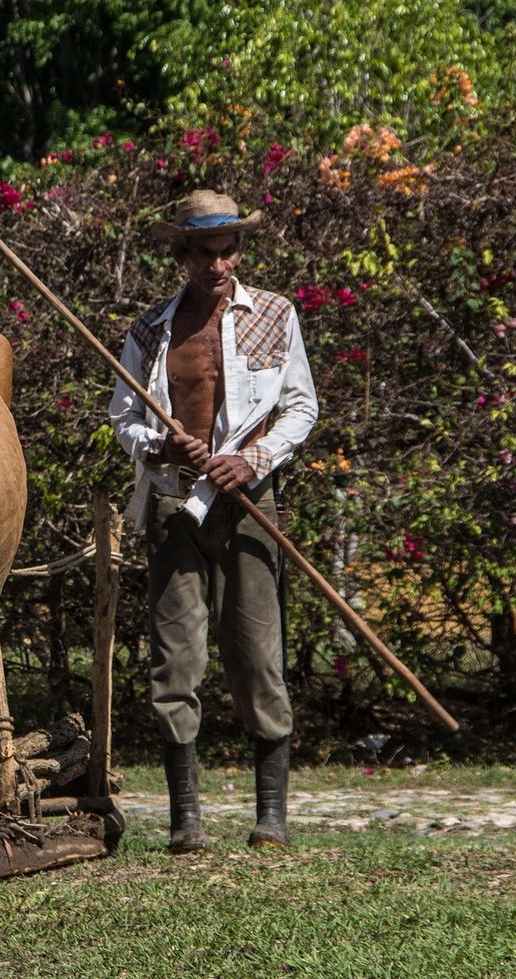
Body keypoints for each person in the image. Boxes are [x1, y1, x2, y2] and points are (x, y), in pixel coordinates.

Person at [109, 190, 318, 851]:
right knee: (175, 662)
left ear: (240, 250)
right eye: (206, 252)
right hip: (175, 505)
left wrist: (253, 458)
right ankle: (186, 823)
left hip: (251, 505)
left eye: (229, 250)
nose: (219, 264)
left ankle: (271, 818)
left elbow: (302, 408)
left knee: (258, 655)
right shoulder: (150, 331)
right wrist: (158, 444)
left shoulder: (276, 317)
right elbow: (122, 417)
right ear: (183, 254)